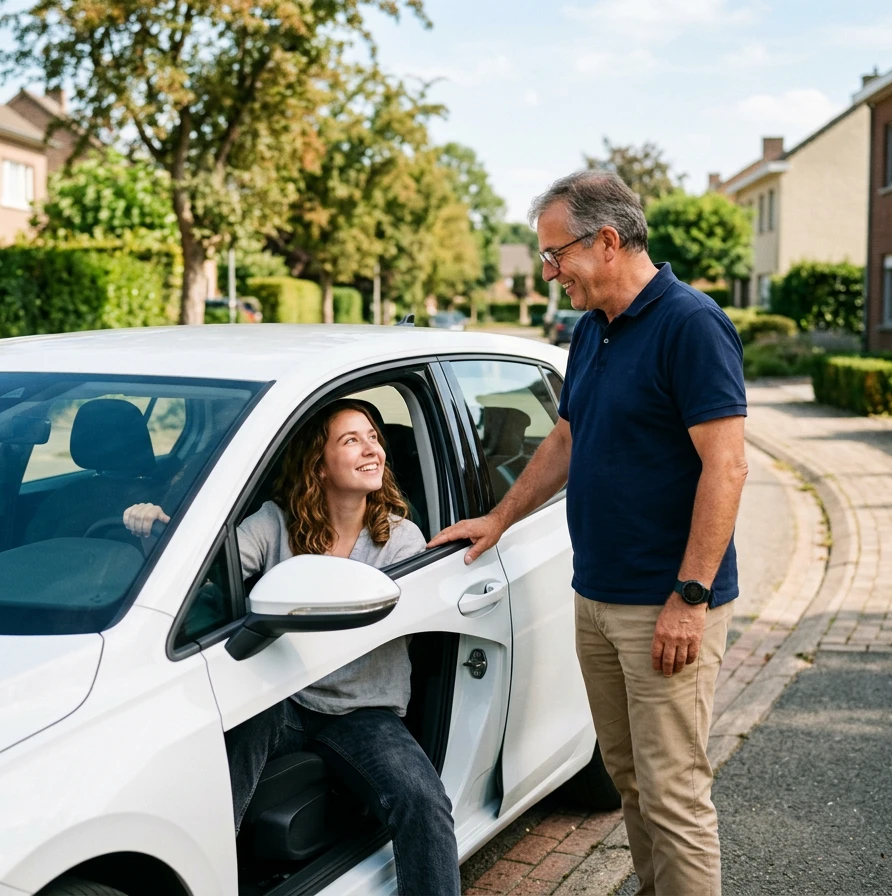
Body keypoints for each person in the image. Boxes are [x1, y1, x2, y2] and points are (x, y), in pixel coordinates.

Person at [430, 171, 748, 896]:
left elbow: (726, 470)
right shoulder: (591, 329)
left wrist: (689, 598)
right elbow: (567, 439)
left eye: (554, 254)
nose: (547, 272)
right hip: (596, 596)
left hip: (664, 604)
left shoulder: (690, 325)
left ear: (607, 241)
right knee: (632, 782)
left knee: (674, 795)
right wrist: (501, 516)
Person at [123, 399, 460, 895]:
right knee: (217, 769)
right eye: (351, 440)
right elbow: (212, 573)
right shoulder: (273, 522)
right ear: (319, 466)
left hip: (362, 710)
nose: (372, 449)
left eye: (373, 437)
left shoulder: (400, 539)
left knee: (423, 802)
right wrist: (161, 527)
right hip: (282, 696)